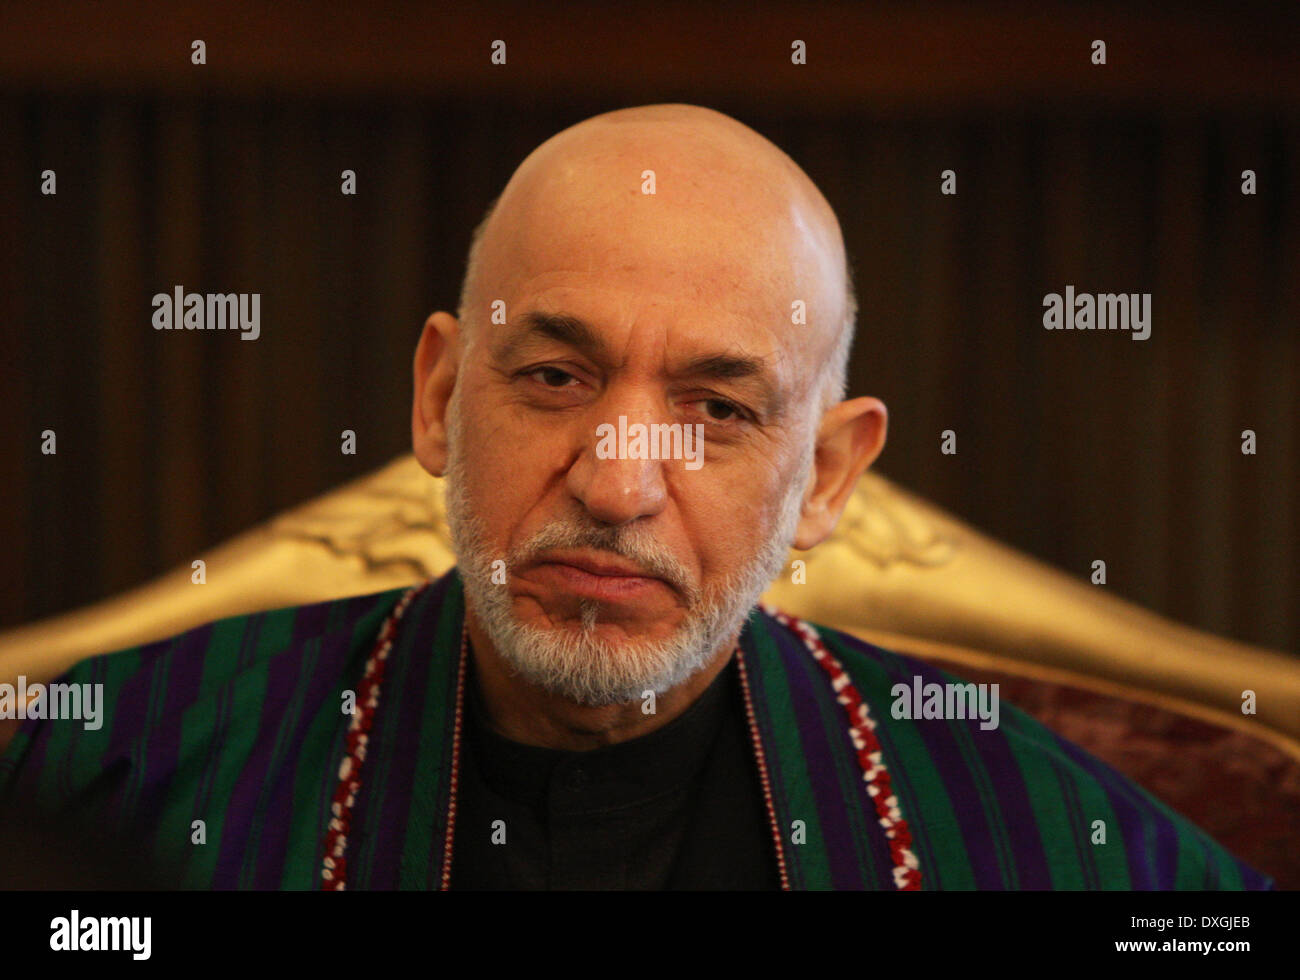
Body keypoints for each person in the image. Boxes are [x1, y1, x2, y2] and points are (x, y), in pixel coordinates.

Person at [0, 104, 1273, 890]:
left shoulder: (1045, 840)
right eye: (555, 377)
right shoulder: (95, 781)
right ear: (439, 398)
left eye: (717, 411)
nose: (616, 486)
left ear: (825, 476)